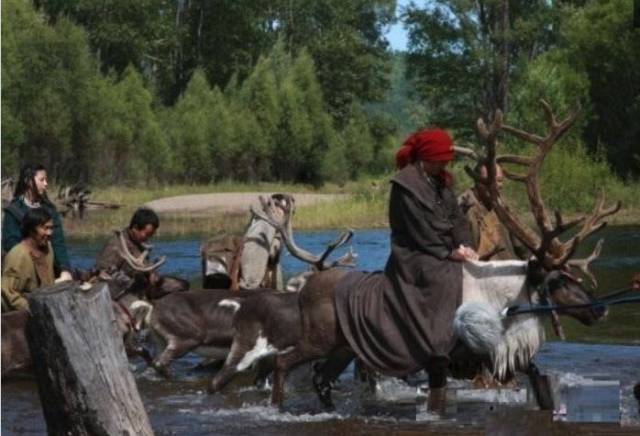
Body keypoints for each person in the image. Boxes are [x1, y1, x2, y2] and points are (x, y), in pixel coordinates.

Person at [333, 128, 478, 389]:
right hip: (414, 253)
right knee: (443, 278)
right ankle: (435, 345)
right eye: (440, 160)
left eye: (446, 160)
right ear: (427, 158)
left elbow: (457, 219)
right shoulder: (405, 186)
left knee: (472, 272)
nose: (444, 164)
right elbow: (417, 229)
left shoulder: (442, 182)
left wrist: (466, 245)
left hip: (441, 248)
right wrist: (448, 253)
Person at [2, 164, 72, 280]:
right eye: (41, 180)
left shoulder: (50, 210)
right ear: (28, 181)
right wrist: (32, 254)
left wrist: (65, 268)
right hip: (23, 266)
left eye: (46, 180)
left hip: (48, 265)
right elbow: (10, 243)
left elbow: (58, 242)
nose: (46, 184)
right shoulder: (14, 210)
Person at [458, 163, 527, 260]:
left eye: (499, 180)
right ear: (476, 180)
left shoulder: (503, 205)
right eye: (488, 180)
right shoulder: (462, 210)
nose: (495, 185)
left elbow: (521, 246)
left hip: (509, 268)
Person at [95, 207, 160, 294]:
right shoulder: (115, 246)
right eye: (147, 234)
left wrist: (152, 274)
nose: (149, 238)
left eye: (151, 235)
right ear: (135, 227)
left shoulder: (140, 245)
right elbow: (103, 275)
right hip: (122, 295)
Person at [2, 208, 56, 312]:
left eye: (51, 228)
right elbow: (8, 294)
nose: (49, 233)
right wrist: (33, 310)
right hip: (25, 315)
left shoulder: (48, 248)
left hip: (47, 305)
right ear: (31, 230)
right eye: (45, 228)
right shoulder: (18, 256)